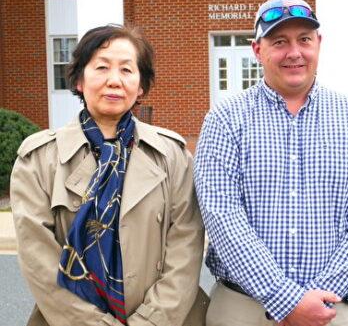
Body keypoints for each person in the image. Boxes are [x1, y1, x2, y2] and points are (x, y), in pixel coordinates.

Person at [194, 0, 348, 326]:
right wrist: (286, 300)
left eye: (304, 39)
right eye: (279, 41)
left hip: (336, 308)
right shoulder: (225, 120)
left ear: (319, 43)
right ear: (258, 49)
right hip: (245, 308)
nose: (294, 52)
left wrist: (318, 298)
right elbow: (222, 215)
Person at [10, 24, 206, 326]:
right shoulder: (38, 159)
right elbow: (40, 263)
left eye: (127, 70)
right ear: (79, 80)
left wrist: (151, 321)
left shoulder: (173, 156)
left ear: (140, 86)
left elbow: (186, 246)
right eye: (101, 67)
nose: (114, 81)